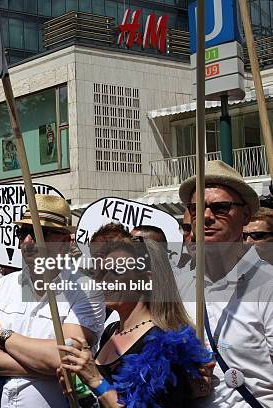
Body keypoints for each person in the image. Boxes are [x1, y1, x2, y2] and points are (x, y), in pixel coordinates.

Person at [0, 195, 105, 407]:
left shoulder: (85, 290)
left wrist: (4, 337)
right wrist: (41, 367)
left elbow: (64, 359)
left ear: (65, 243)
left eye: (41, 233)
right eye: (23, 232)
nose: (28, 241)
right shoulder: (5, 285)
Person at [58, 238, 212, 407]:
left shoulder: (166, 344)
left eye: (116, 271)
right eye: (102, 272)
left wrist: (95, 380)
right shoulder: (111, 330)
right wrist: (77, 390)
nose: (103, 280)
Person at [177, 160, 273, 407]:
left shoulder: (267, 286)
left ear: (245, 216)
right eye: (197, 209)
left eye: (221, 208)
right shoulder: (178, 286)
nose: (207, 217)